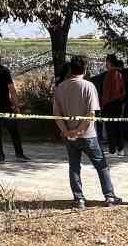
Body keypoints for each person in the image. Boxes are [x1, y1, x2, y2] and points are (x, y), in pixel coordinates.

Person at [53, 55, 123, 208]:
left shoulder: (60, 87)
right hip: (88, 135)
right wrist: (79, 131)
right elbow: (91, 114)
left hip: (69, 135)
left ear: (70, 69)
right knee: (101, 165)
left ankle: (79, 199)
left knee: (74, 167)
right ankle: (109, 197)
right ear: (85, 69)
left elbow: (57, 115)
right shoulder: (89, 86)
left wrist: (66, 131)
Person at [99, 54, 127, 154]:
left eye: (106, 62)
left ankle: (112, 149)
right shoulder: (119, 73)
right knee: (118, 126)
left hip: (110, 103)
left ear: (109, 62)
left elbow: (108, 92)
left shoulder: (110, 74)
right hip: (118, 102)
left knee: (110, 127)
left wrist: (103, 104)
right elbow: (122, 91)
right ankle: (120, 148)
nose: (105, 64)